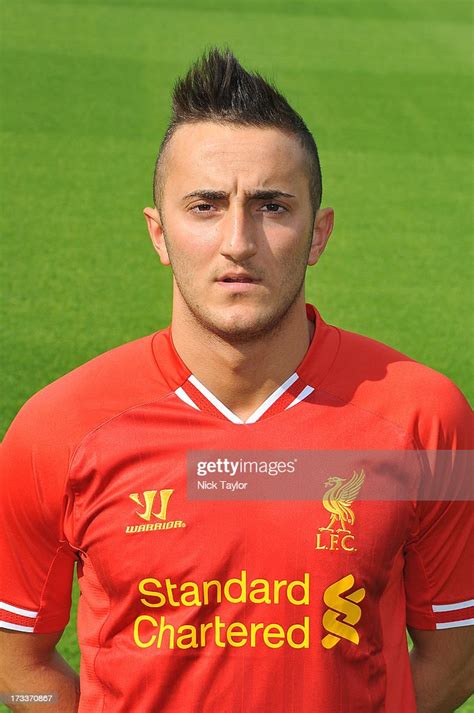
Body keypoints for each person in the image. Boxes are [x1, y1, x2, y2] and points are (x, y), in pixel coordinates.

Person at [0, 48, 472, 713]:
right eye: (206, 205)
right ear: (159, 233)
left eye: (272, 206)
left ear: (317, 233)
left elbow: (460, 651)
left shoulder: (430, 419)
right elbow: (13, 660)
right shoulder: (56, 431)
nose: (238, 241)